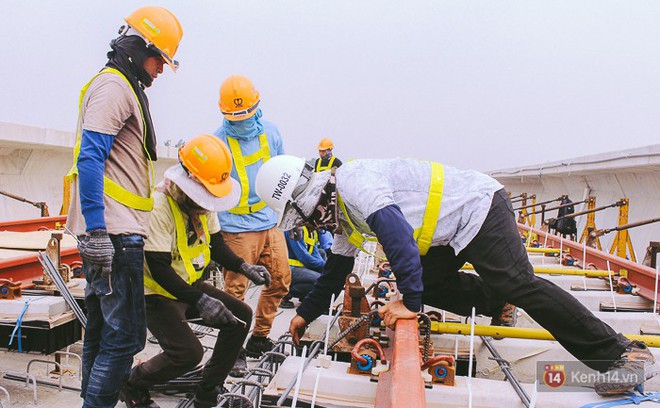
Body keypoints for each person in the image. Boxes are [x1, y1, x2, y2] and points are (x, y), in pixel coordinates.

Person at [255, 155, 659, 397]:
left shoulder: (355, 183)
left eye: (306, 215)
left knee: (517, 281)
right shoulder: (343, 216)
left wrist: (409, 305)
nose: (314, 224)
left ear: (310, 197)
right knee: (428, 281)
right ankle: (495, 302)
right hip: (447, 233)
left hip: (477, 208)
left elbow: (398, 238)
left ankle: (623, 353)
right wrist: (306, 314)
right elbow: (335, 270)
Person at [65, 7, 183, 407]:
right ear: (138, 48)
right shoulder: (114, 88)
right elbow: (90, 158)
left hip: (113, 232)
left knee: (102, 332)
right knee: (126, 337)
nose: (161, 70)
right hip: (113, 234)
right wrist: (97, 231)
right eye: (158, 59)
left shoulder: (122, 87)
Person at [119, 135, 270, 408]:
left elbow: (216, 244)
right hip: (156, 294)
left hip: (188, 286)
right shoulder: (159, 206)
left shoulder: (203, 202)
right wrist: (201, 300)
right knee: (188, 353)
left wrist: (243, 266)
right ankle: (133, 384)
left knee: (241, 317)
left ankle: (207, 391)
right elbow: (159, 268)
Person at [213, 75, 290, 365]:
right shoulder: (218, 142)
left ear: (258, 105)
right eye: (234, 116)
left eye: (245, 113)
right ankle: (232, 349)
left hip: (269, 222)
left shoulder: (271, 133)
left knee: (280, 280)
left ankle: (259, 337)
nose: (241, 120)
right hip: (236, 229)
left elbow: (282, 171)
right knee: (235, 293)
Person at [280, 226, 325, 309]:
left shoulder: (312, 232)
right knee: (319, 280)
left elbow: (315, 254)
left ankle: (305, 296)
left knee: (322, 256)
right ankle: (282, 293)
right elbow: (303, 257)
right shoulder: (293, 230)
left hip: (300, 267)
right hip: (287, 268)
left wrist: (326, 268)